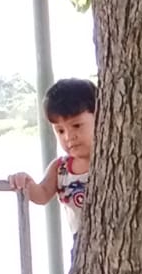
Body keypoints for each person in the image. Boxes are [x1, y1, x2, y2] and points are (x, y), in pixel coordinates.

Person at [8, 77, 95, 233]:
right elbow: (42, 194)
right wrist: (26, 183)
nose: (69, 136)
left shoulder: (112, 160)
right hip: (81, 243)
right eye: (60, 130)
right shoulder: (60, 168)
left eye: (76, 125)